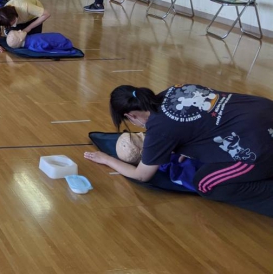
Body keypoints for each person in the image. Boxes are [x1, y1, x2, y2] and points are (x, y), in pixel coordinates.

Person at [84, 84, 273, 217]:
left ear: (131, 115)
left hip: (261, 146)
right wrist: (186, 146)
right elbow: (203, 118)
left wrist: (107, 159)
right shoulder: (174, 90)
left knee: (206, 184)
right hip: (265, 110)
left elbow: (142, 175)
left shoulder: (158, 129)